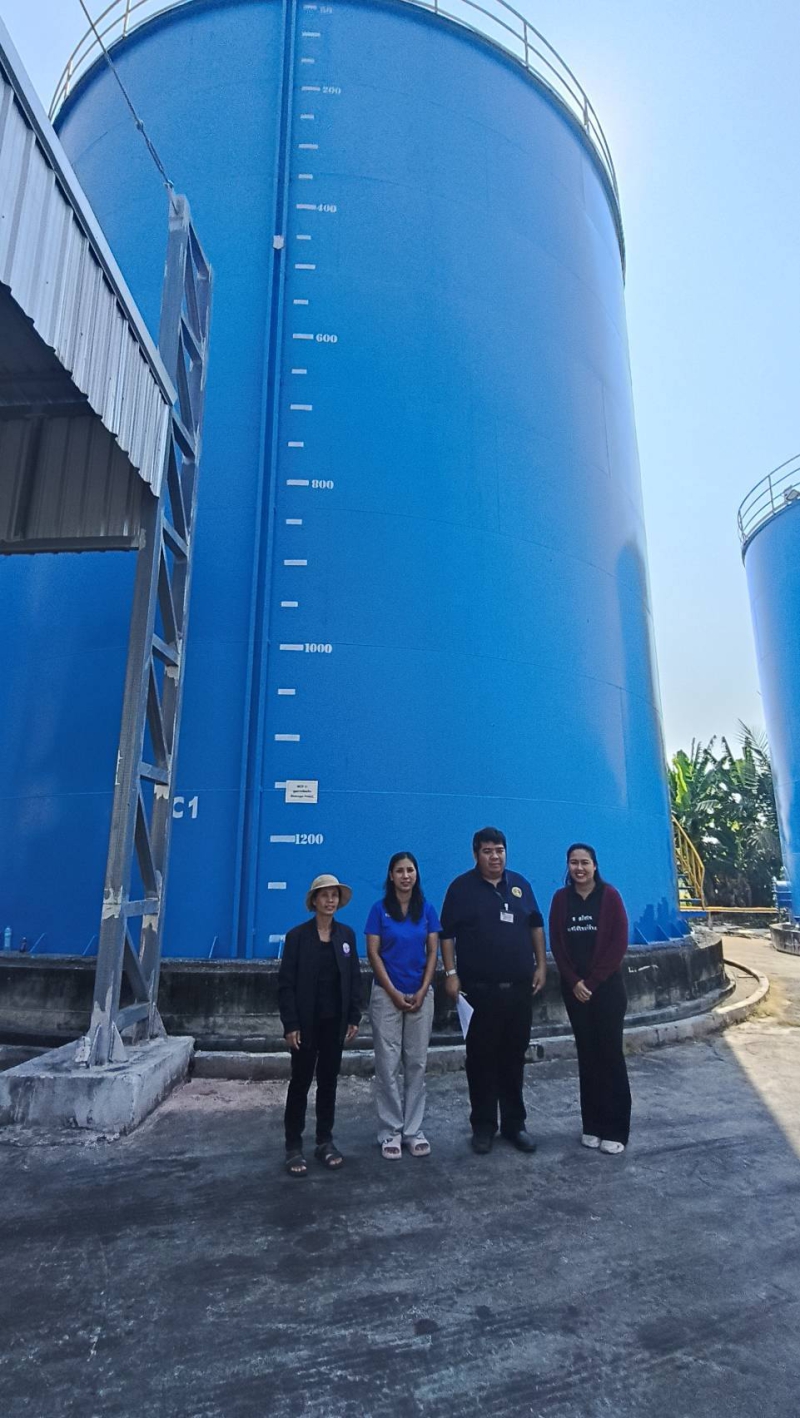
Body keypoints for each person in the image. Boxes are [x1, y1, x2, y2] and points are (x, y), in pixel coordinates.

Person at [440, 828, 547, 1155]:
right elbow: (446, 934)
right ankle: (484, 1126)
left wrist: (541, 965)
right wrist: (451, 973)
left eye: (499, 850)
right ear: (476, 854)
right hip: (479, 992)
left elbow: (535, 925)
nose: (495, 857)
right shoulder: (461, 888)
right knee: (481, 1060)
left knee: (514, 1058)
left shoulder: (520, 885)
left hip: (518, 991)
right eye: (487, 851)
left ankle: (515, 1125)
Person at [548, 843, 631, 1155]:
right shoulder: (561, 899)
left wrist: (592, 982)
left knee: (610, 1056)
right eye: (574, 863)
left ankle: (616, 1129)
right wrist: (574, 982)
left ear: (595, 865)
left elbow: (618, 943)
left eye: (584, 862)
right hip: (575, 992)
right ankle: (592, 1125)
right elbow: (557, 944)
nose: (579, 868)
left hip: (607, 990)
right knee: (587, 1056)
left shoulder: (610, 897)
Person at [278, 874, 362, 1176]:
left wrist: (353, 1017)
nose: (330, 900)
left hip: (334, 1023)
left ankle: (324, 1141)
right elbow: (286, 984)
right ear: (314, 901)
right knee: (300, 1082)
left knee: (329, 1082)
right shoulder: (297, 937)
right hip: (305, 1024)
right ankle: (293, 1146)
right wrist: (291, 1024)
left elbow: (354, 978)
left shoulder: (346, 936)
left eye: (334, 895)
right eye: (324, 895)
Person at [365, 852, 441, 1159]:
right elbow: (373, 953)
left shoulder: (427, 909)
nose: (405, 876)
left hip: (420, 993)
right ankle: (390, 1131)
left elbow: (433, 951)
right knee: (387, 1063)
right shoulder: (379, 910)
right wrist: (393, 992)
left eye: (410, 870)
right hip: (386, 995)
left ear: (416, 874)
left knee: (417, 1063)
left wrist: (423, 989)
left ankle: (412, 1130)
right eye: (400, 871)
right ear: (391, 875)